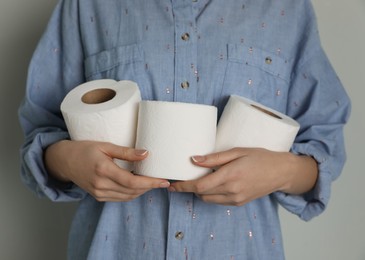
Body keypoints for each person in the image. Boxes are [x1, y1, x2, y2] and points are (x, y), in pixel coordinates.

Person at [18, 1, 351, 259]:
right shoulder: (89, 6)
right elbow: (41, 132)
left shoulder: (285, 9)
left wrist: (280, 170)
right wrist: (68, 160)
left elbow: (324, 142)